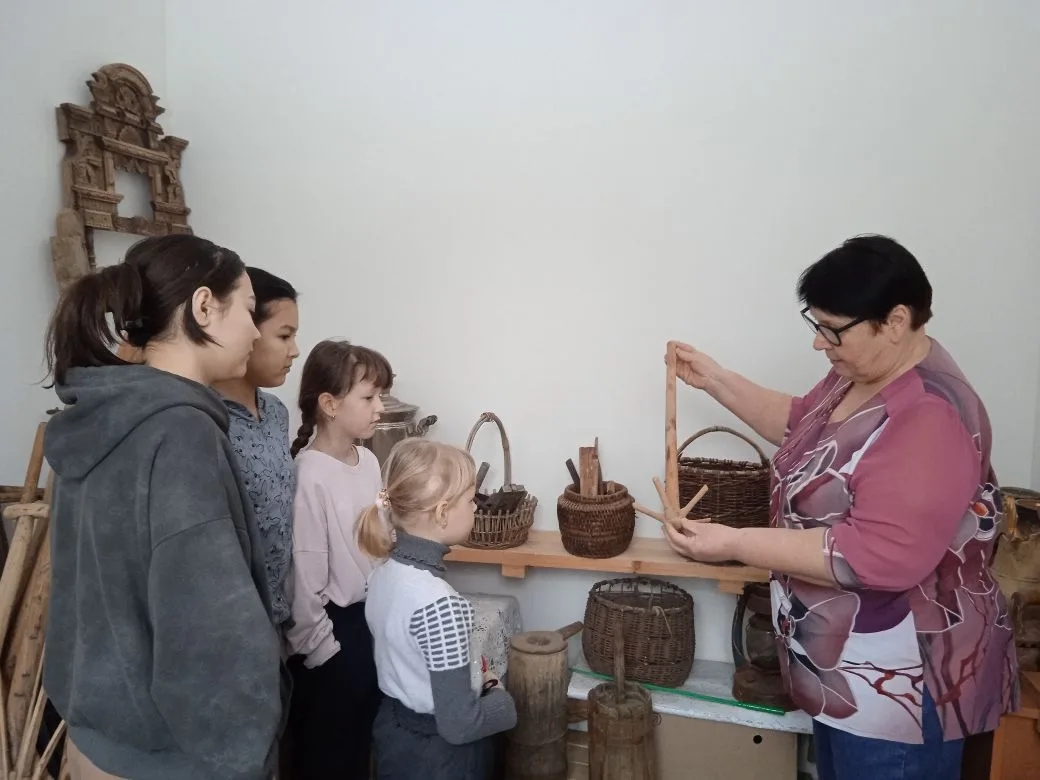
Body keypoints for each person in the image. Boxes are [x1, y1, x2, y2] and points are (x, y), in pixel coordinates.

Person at [661, 235, 1019, 780]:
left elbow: (875, 554)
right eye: (816, 324)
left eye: (832, 329)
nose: (819, 343)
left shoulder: (929, 418)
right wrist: (717, 381)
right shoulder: (862, 372)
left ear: (895, 321)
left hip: (899, 689)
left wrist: (734, 541)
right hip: (852, 676)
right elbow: (803, 425)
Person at [43, 234, 288, 780]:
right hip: (171, 757)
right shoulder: (180, 432)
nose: (254, 331)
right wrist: (244, 755)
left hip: (97, 740)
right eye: (248, 310)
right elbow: (211, 631)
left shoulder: (101, 417)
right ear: (204, 307)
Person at [358, 438, 518, 780]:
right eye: (471, 500)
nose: (476, 508)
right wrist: (502, 701)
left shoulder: (380, 573)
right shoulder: (440, 604)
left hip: (394, 732)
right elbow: (460, 724)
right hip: (440, 757)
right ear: (443, 513)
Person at [285, 339, 393, 779]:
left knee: (360, 747)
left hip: (368, 625)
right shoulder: (309, 475)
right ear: (329, 404)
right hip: (334, 636)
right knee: (328, 756)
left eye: (380, 396)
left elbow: (377, 539)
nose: (379, 408)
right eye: (369, 398)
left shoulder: (367, 460)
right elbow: (304, 581)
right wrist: (325, 653)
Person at [213, 267, 301, 633]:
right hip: (231, 620)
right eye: (284, 335)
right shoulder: (207, 420)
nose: (295, 351)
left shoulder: (276, 413)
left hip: (277, 614)